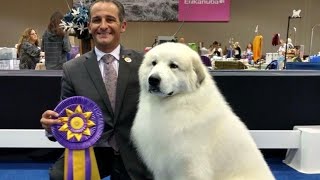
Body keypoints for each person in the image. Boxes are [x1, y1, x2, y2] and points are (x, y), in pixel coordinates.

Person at [40, 0, 152, 179]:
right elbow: (64, 117)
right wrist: (51, 126)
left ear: (122, 25)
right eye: (97, 20)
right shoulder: (72, 69)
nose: (103, 26)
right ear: (89, 26)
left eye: (110, 19)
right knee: (59, 176)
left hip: (135, 150)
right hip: (92, 149)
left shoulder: (144, 63)